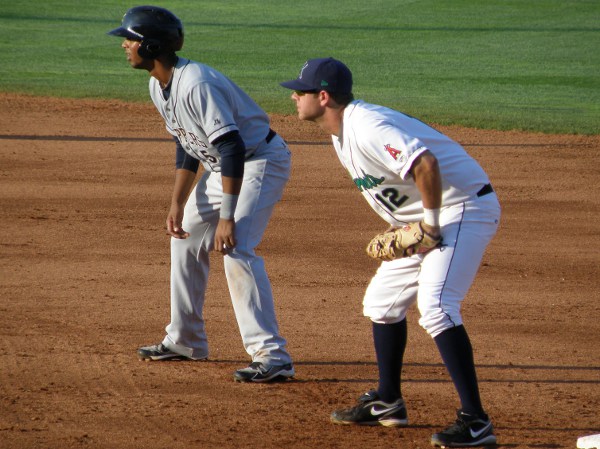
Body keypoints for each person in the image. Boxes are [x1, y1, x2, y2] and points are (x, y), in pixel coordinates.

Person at [280, 57, 500, 447]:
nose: (295, 96)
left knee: (437, 305)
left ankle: (476, 421)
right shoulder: (339, 131)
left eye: (302, 91)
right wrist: (409, 228)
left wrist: (429, 226)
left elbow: (425, 164)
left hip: (462, 207)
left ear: (324, 97)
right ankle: (388, 401)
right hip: (424, 221)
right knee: (382, 302)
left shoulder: (368, 126)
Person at [107, 5, 294, 383]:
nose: (124, 45)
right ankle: (185, 339)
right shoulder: (158, 84)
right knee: (186, 236)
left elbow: (231, 148)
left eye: (131, 39)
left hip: (258, 161)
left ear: (152, 46)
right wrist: (177, 200)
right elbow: (187, 142)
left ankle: (273, 356)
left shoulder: (197, 84)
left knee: (236, 247)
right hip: (223, 165)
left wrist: (227, 216)